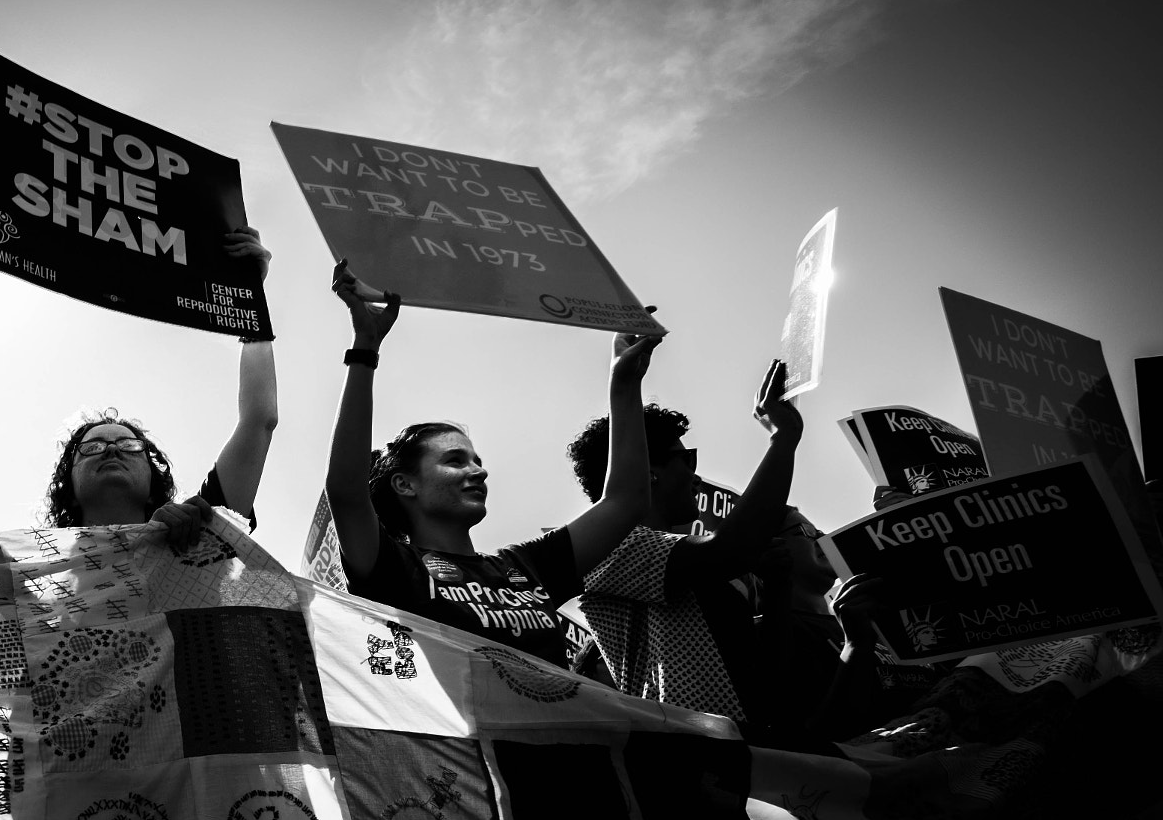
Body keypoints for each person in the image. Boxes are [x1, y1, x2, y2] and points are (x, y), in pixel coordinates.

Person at [324, 261, 659, 665]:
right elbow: (345, 491)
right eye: (455, 461)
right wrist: (365, 347)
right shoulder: (392, 567)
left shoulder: (527, 566)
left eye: (477, 461)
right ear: (404, 484)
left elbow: (625, 503)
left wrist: (624, 385)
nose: (478, 471)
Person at [562, 363, 803, 725]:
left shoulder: (693, 566)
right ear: (649, 473)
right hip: (691, 756)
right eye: (686, 459)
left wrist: (778, 588)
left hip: (750, 749)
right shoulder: (610, 549)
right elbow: (729, 550)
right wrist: (783, 438)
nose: (696, 476)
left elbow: (767, 682)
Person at [42, 228, 278, 548]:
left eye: (129, 446)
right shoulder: (31, 575)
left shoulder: (200, 532)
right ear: (68, 488)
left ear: (154, 483)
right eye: (92, 448)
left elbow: (259, 419)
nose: (112, 450)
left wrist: (248, 297)